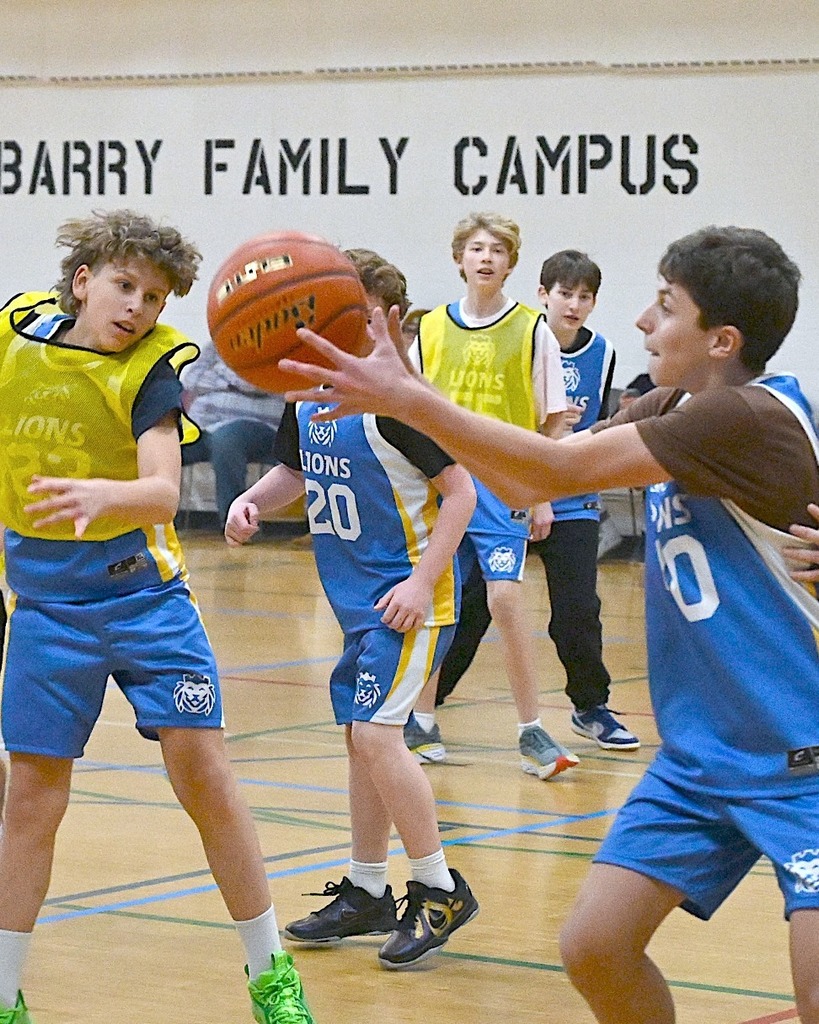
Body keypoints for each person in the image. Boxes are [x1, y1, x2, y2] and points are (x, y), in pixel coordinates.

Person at [280, 225, 819, 1024]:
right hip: (702, 759)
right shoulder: (676, 404)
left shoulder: (741, 418)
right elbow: (526, 468)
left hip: (800, 763)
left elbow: (555, 471)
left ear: (721, 340)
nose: (640, 320)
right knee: (594, 949)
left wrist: (408, 400)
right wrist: (413, 405)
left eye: (665, 306)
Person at [0, 209, 313, 1024]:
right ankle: (3, 993)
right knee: (31, 798)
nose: (137, 306)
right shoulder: (13, 337)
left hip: (144, 601)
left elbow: (164, 492)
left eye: (153, 296)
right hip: (46, 609)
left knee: (204, 775)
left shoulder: (151, 372)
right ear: (82, 281)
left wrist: (108, 494)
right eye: (123, 285)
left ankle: (269, 973)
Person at [224, 253, 479, 970]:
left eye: (354, 314)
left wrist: (421, 582)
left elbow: (460, 493)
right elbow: (296, 473)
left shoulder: (398, 403)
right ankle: (368, 889)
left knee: (375, 736)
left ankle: (437, 887)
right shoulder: (304, 392)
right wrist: (252, 502)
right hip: (353, 603)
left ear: (383, 321)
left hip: (409, 603)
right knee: (358, 741)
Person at [431, 250, 641, 751]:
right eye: (564, 293)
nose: (574, 304)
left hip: (570, 495)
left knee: (577, 609)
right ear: (543, 295)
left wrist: (554, 477)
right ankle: (423, 708)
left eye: (584, 296)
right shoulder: (520, 338)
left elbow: (593, 429)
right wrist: (532, 489)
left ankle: (590, 707)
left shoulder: (603, 352)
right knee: (473, 605)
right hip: (509, 492)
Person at [403, 212, 577, 781]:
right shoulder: (430, 330)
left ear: (511, 263)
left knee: (504, 599)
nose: (486, 257)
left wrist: (543, 490)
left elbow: (553, 422)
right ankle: (420, 719)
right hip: (445, 483)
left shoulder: (533, 329)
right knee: (436, 602)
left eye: (498, 250)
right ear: (460, 258)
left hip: (504, 486)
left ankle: (532, 729)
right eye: (476, 248)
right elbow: (412, 415)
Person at [180, 344, 286, 529]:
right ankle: (143, 523)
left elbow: (252, 383)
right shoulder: (219, 343)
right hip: (203, 425)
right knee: (160, 443)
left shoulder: (279, 344)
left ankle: (234, 525)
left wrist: (219, 378)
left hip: (256, 425)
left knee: (227, 440)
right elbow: (191, 382)